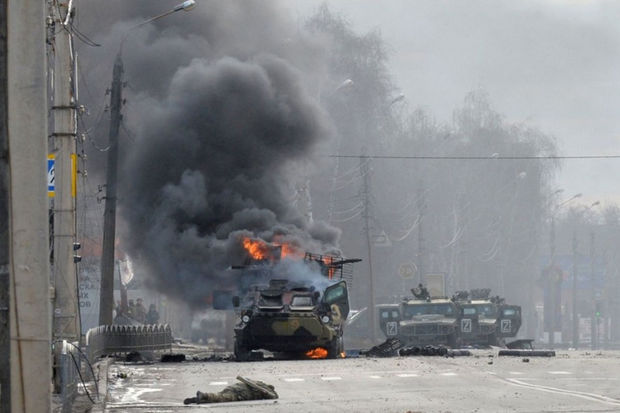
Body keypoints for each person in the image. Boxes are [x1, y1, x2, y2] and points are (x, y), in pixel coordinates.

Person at [183, 376, 278, 404]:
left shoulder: (257, 383)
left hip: (233, 388)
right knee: (221, 397)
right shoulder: (264, 389)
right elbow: (274, 396)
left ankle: (198, 399)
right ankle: (204, 395)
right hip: (239, 393)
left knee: (219, 397)